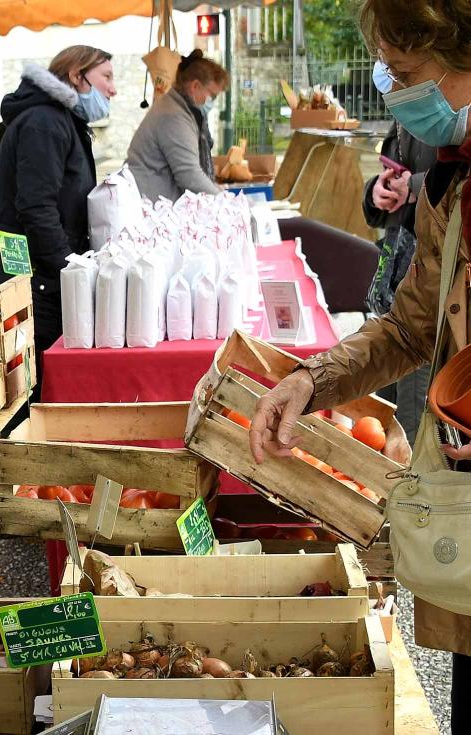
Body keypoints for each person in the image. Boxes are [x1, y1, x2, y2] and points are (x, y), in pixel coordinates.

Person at [249, 0, 470, 728]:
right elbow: (411, 324)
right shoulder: (454, 179)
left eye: (408, 73)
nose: (398, 92)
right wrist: (312, 380)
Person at [0, 45, 116, 384]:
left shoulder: (61, 120)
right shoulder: (46, 122)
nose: (113, 88)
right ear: (76, 76)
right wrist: (69, 268)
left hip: (36, 274)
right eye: (106, 77)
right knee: (20, 388)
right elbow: (37, 208)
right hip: (23, 275)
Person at [364, 119, 437, 438]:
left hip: (433, 292)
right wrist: (376, 191)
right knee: (385, 408)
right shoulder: (404, 112)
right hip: (397, 280)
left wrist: (416, 186)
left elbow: (456, 180)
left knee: (413, 411)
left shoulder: (453, 110)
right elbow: (397, 171)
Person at [126, 50, 228, 201]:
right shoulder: (174, 116)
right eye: (212, 95)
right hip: (152, 203)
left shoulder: (177, 109)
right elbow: (189, 175)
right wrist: (224, 201)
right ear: (195, 86)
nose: (212, 102)